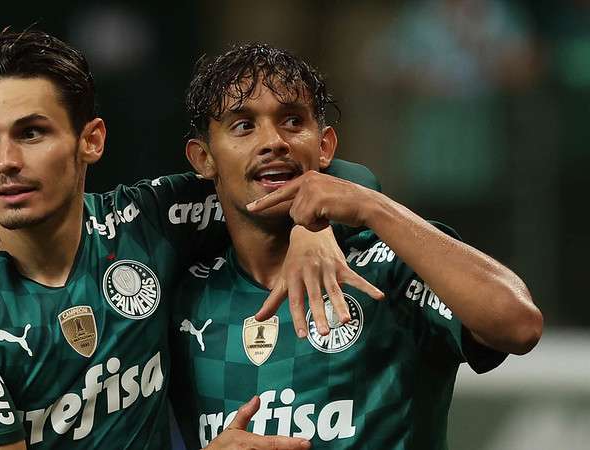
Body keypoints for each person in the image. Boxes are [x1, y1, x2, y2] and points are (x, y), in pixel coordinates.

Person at [0, 29, 382, 450]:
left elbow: (336, 178)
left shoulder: (146, 223)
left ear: (92, 140)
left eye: (32, 133)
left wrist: (310, 226)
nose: (5, 161)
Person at [168, 43, 543, 449]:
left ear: (325, 146)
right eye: (244, 125)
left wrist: (370, 205)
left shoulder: (389, 265)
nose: (274, 141)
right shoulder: (183, 295)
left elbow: (518, 325)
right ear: (203, 158)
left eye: (293, 121)